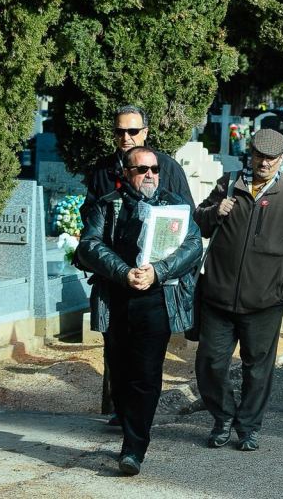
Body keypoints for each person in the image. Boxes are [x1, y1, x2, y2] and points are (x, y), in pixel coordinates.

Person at [77, 146, 202, 475]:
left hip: (156, 301)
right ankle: (126, 420)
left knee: (146, 375)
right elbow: (89, 245)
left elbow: (193, 244)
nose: (150, 175)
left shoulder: (175, 205)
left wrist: (158, 272)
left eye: (154, 169)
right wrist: (123, 272)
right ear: (126, 174)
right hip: (116, 300)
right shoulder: (108, 205)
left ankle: (134, 449)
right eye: (141, 169)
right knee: (119, 375)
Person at [193, 129, 283, 451]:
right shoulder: (229, 183)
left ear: (281, 159)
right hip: (218, 299)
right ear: (251, 153)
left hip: (265, 303)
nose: (264, 163)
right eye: (260, 156)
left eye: (272, 158)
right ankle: (223, 417)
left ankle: (248, 427)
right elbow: (199, 222)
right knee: (210, 363)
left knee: (257, 371)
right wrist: (214, 211)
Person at [79, 104, 194, 425]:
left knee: (147, 360)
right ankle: (120, 410)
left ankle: (137, 424)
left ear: (145, 132)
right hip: (114, 278)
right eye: (120, 131)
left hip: (155, 281)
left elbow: (186, 220)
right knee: (116, 353)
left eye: (132, 131)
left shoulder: (166, 167)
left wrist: (160, 267)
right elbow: (89, 215)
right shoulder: (103, 170)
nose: (126, 137)